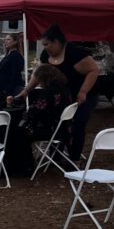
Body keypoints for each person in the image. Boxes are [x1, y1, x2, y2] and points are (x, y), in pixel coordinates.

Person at [14, 24, 99, 161]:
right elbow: (38, 74)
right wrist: (26, 90)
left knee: (77, 124)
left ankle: (74, 158)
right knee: (57, 122)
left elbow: (94, 70)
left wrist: (83, 92)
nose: (45, 47)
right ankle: (56, 155)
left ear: (56, 42)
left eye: (47, 44)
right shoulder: (46, 55)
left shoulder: (75, 53)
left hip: (84, 94)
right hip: (61, 95)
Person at [19, 65, 71, 142]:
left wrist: (26, 113)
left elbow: (34, 112)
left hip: (51, 130)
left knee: (18, 132)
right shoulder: (65, 89)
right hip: (66, 128)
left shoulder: (49, 93)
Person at [0, 33, 25, 98]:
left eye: (8, 40)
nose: (5, 41)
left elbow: (15, 75)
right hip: (2, 87)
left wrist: (8, 90)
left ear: (15, 42)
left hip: (9, 90)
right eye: (5, 40)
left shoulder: (16, 56)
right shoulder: (8, 54)